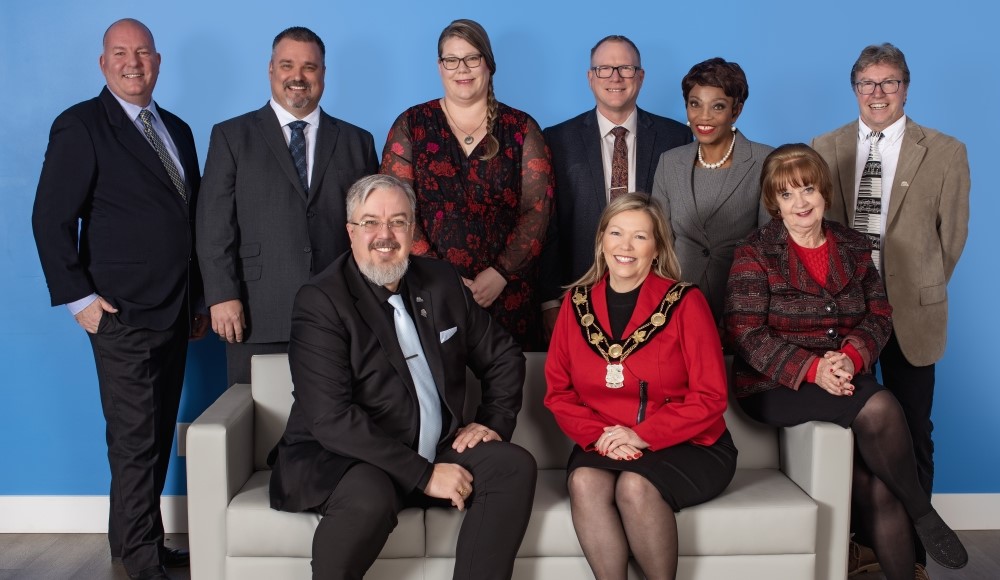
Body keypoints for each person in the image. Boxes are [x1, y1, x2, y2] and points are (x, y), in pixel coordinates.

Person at [268, 174, 537, 580]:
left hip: (439, 447)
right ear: (351, 232)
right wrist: (424, 475)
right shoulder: (321, 301)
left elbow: (503, 355)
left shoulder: (441, 280)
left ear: (413, 229)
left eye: (398, 221)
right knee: (369, 498)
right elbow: (331, 418)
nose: (385, 235)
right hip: (349, 457)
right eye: (371, 222)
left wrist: (491, 423)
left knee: (513, 465)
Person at [725, 144, 967, 580]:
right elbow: (746, 334)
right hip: (775, 386)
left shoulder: (854, 245)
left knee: (880, 488)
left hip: (845, 373)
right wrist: (814, 369)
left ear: (824, 192)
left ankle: (907, 534)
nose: (800, 203)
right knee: (879, 405)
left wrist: (852, 357)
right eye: (786, 194)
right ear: (773, 202)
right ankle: (923, 513)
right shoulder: (755, 251)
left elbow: (879, 314)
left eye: (808, 189)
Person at [31, 19, 204, 580]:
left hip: (176, 309)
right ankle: (143, 559)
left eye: (144, 53)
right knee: (133, 438)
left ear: (159, 61)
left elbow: (189, 222)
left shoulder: (176, 129)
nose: (134, 62)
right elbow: (49, 218)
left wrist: (197, 299)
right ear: (103, 64)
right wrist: (78, 299)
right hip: (119, 312)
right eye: (121, 53)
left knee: (154, 432)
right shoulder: (81, 126)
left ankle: (130, 540)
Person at [810, 43, 970, 576]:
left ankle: (915, 555)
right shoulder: (825, 146)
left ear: (906, 87)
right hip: (842, 315)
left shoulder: (945, 151)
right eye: (868, 83)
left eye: (890, 82)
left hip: (911, 315)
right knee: (850, 431)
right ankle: (863, 544)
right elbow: (815, 230)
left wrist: (910, 288)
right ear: (854, 88)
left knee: (912, 429)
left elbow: (951, 239)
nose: (878, 93)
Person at [545, 194, 737, 580]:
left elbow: (711, 396)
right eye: (616, 233)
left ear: (658, 248)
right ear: (601, 241)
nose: (625, 247)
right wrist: (602, 435)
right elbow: (558, 392)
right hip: (602, 440)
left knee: (634, 486)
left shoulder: (685, 302)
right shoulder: (575, 303)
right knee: (584, 481)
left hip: (689, 444)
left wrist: (641, 435)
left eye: (640, 237)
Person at [197, 26, 378, 385]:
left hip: (340, 312)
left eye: (309, 67)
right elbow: (213, 223)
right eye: (287, 65)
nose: (298, 76)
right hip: (255, 310)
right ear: (270, 70)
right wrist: (221, 296)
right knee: (257, 424)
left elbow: (370, 227)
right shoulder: (231, 136)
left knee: (338, 420)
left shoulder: (358, 141)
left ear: (323, 73)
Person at [381, 18, 553, 350]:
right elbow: (394, 209)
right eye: (452, 60)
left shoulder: (521, 128)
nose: (463, 68)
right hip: (429, 292)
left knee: (507, 390)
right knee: (437, 394)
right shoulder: (412, 125)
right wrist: (442, 280)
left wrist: (500, 274)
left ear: (489, 64)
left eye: (472, 58)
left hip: (508, 293)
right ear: (439, 66)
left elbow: (538, 211)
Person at [539, 35, 691, 340]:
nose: (615, 78)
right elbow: (548, 227)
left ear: (641, 76)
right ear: (590, 77)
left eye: (625, 68)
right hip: (577, 293)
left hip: (655, 295)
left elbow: (679, 224)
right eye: (604, 69)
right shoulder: (557, 140)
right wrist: (548, 302)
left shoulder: (676, 137)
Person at [652, 57, 772, 338]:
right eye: (695, 104)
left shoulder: (765, 160)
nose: (703, 117)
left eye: (717, 106)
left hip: (744, 307)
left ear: (736, 110)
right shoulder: (670, 162)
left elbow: (771, 247)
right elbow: (659, 242)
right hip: (676, 307)